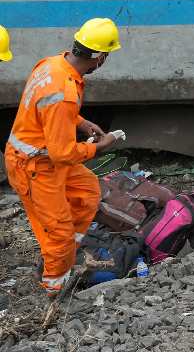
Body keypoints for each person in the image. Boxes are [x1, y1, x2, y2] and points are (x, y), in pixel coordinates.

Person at [5, 18, 122, 295]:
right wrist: (99, 147)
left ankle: (65, 256)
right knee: (58, 233)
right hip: (34, 166)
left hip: (42, 158)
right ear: (100, 57)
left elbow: (47, 108)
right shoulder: (64, 92)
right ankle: (54, 289)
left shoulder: (52, 64)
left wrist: (81, 123)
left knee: (87, 191)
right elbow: (63, 154)